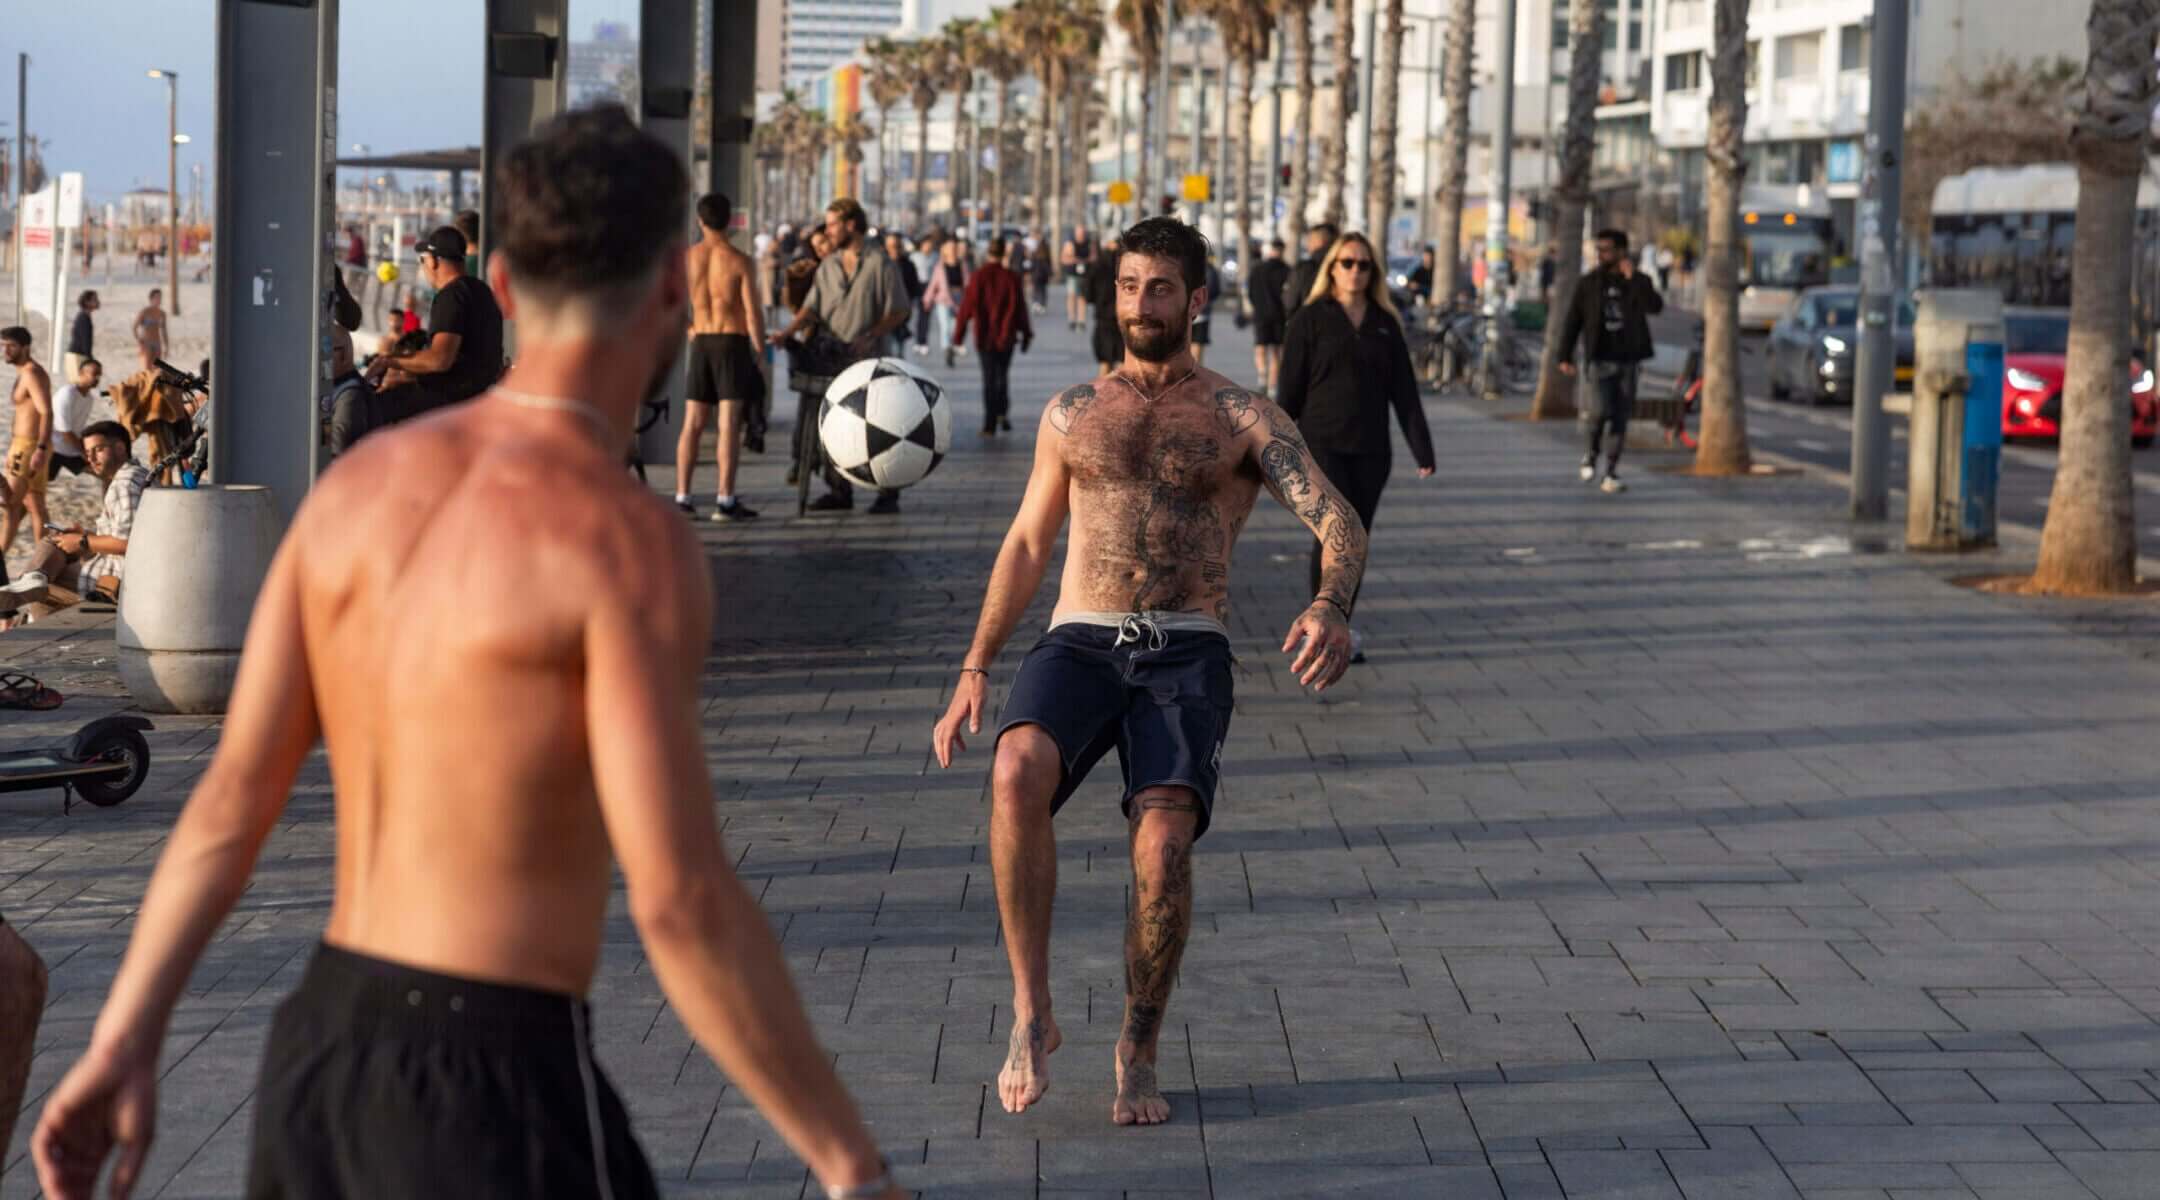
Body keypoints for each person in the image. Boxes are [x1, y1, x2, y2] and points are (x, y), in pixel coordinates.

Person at [31, 105, 903, 1200]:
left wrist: (121, 1042)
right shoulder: (621, 537)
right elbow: (678, 898)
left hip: (320, 1056)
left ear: (497, 274)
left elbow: (227, 808)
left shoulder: (357, 493)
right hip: (496, 1073)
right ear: (677, 287)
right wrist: (849, 1162)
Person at [930, 216, 1368, 1128]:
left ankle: (1137, 1043)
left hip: (1185, 645)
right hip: (1080, 635)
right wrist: (976, 663)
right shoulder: (1072, 413)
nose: (1140, 304)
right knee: (1013, 772)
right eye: (1128, 287)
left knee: (1163, 850)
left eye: (1160, 288)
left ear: (1197, 300)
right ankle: (1032, 1010)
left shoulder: (1242, 417)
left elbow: (1339, 521)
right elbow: (1025, 543)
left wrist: (1329, 605)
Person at [1275, 232, 1437, 662]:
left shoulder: (1385, 323)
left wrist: (1423, 450)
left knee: (1356, 541)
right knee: (1332, 536)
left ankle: (1340, 623)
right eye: (1347, 262)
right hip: (1320, 447)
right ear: (1331, 267)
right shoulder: (1310, 319)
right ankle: (1321, 626)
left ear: (1374, 272)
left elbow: (1405, 393)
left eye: (1364, 265)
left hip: (1371, 449)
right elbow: (1287, 392)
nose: (1355, 271)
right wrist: (1267, 450)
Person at [768, 197, 910, 515]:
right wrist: (787, 333)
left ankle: (888, 493)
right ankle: (838, 490)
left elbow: (900, 309)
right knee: (833, 426)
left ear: (850, 224)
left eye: (832, 224)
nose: (828, 231)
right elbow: (812, 308)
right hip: (832, 359)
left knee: (877, 428)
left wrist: (871, 334)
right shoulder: (829, 265)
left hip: (869, 361)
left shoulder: (880, 263)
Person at [676, 192, 766, 522]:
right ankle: (725, 500)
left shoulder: (688, 259)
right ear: (729, 222)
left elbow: (670, 304)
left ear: (700, 221)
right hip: (732, 341)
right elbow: (752, 312)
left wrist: (689, 329)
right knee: (728, 425)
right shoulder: (740, 261)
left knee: (693, 424)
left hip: (701, 340)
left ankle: (683, 497)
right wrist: (760, 351)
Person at [1555, 227, 1664, 494]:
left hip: (1628, 360)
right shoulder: (1589, 283)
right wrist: (1564, 354)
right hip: (1599, 359)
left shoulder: (1637, 281)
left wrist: (1634, 278)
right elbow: (1573, 320)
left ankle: (1611, 470)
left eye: (1606, 249)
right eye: (1599, 250)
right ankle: (1591, 453)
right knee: (1599, 411)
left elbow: (1655, 306)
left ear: (1621, 251)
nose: (1601, 254)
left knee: (1620, 417)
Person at [364, 225, 506, 424]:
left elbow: (440, 360)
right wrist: (410, 373)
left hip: (451, 404)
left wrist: (389, 361)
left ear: (432, 261)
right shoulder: (482, 291)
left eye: (422, 260)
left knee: (371, 409)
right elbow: (469, 359)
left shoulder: (451, 296)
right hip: (479, 397)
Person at [17, 420, 150, 612]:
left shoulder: (124, 485)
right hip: (118, 571)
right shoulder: (139, 474)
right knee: (55, 542)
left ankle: (32, 585)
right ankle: (32, 578)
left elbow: (128, 543)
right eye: (88, 453)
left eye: (98, 450)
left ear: (121, 448)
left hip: (117, 582)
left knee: (41, 593)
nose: (92, 459)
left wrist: (83, 541)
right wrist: (86, 535)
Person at [953, 236, 1034, 436]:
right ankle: (1002, 414)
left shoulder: (978, 277)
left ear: (988, 252)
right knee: (1002, 376)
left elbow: (966, 308)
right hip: (1006, 336)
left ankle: (990, 423)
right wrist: (1026, 334)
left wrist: (958, 336)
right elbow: (1020, 309)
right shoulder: (1011, 277)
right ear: (1003, 253)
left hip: (985, 337)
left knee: (989, 379)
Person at [2, 327, 53, 556]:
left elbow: (46, 412)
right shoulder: (25, 372)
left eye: (10, 345)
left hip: (29, 446)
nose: (5, 350)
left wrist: (41, 448)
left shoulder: (32, 373)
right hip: (25, 445)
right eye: (3, 345)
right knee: (34, 505)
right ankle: (45, 559)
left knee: (10, 505)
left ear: (25, 347)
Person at [1246, 239, 1291, 395]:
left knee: (1260, 347)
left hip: (1261, 314)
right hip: (1280, 316)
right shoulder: (1287, 271)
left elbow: (1250, 292)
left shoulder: (1258, 269)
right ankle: (1272, 386)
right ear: (1282, 250)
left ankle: (1262, 376)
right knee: (1276, 352)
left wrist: (1257, 306)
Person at [49, 355, 101, 479]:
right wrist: (84, 452)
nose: (97, 378)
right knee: (36, 486)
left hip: (71, 449)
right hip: (53, 448)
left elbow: (77, 428)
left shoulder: (89, 398)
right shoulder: (67, 394)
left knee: (103, 474)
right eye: (94, 374)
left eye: (99, 375)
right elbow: (65, 431)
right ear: (81, 373)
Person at [922, 238, 969, 369]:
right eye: (950, 248)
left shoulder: (962, 264)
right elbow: (933, 284)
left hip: (959, 298)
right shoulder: (940, 267)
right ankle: (947, 349)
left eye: (955, 248)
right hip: (943, 299)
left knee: (955, 326)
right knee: (945, 326)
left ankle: (952, 346)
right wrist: (927, 299)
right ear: (945, 251)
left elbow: (967, 283)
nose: (953, 250)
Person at [1282, 222, 1336, 322]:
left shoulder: (1304, 269)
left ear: (1320, 241)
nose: (1308, 244)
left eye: (1310, 240)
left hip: (1308, 325)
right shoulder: (1343, 266)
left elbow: (1290, 302)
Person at [1086, 237, 1125, 377]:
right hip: (1123, 317)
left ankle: (1103, 396)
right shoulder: (1124, 265)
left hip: (1103, 317)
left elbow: (1088, 295)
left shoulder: (1097, 265)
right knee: (1123, 361)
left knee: (1105, 361)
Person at [886, 231, 924, 358]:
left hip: (901, 315)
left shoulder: (908, 266)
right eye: (891, 246)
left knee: (897, 351)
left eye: (897, 246)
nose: (895, 250)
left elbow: (914, 288)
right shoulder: (880, 265)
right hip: (881, 317)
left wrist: (910, 306)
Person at [1189, 255, 1222, 368]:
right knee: (1198, 346)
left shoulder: (1185, 267)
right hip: (1203, 313)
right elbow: (1216, 290)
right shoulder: (1211, 270)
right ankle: (1195, 372)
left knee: (1186, 346)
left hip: (1185, 313)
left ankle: (1190, 372)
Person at [1061, 224, 1095, 330]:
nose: (1081, 235)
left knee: (1082, 297)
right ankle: (1071, 319)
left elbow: (1094, 257)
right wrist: (1074, 260)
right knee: (1071, 296)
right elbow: (1063, 259)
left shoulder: (1089, 243)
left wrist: (1085, 261)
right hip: (1072, 274)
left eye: (1082, 233)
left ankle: (1081, 320)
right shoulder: (1069, 244)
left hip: (1084, 274)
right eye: (1079, 233)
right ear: (1075, 234)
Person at [65, 290, 98, 384]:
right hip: (77, 356)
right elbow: (85, 341)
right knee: (80, 386)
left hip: (77, 355)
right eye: (94, 299)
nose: (97, 302)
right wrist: (90, 359)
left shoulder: (84, 316)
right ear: (87, 302)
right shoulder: (83, 318)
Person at [132, 288, 167, 373]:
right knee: (146, 370)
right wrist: (139, 340)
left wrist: (166, 346)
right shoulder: (145, 312)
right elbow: (135, 327)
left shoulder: (162, 313)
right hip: (146, 343)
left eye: (160, 297)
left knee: (157, 370)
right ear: (151, 299)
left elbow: (164, 331)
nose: (159, 300)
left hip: (157, 343)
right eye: (157, 297)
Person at [1028, 229, 1054, 316]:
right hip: (1042, 274)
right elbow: (1048, 263)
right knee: (1042, 290)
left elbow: (1032, 264)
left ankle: (1036, 303)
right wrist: (1050, 273)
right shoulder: (1044, 251)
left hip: (1036, 274)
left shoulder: (1035, 251)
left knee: (1036, 289)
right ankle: (1041, 304)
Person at [1409, 246, 1436, 310]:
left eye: (1429, 256)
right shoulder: (1419, 270)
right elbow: (1410, 282)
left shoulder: (1436, 270)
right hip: (1421, 296)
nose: (1427, 258)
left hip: (1433, 295)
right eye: (1425, 256)